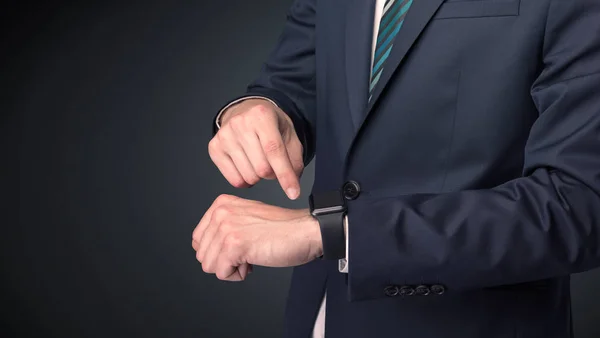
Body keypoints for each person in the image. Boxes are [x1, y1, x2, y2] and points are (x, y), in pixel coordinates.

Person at [191, 0, 600, 337]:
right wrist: (261, 109)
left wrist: (335, 232)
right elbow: (296, 77)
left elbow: (579, 204)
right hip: (318, 314)